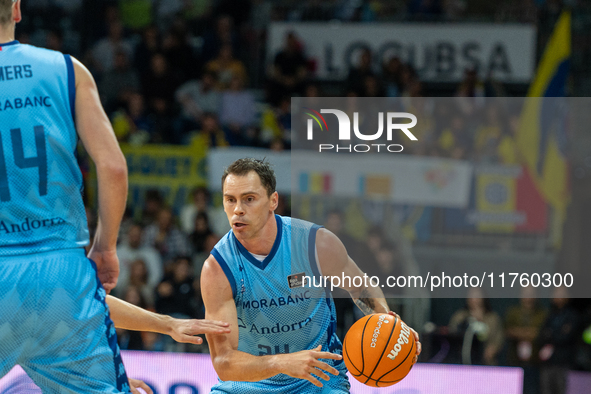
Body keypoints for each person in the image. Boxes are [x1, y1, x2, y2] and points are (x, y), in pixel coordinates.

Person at [0, 2, 228, 393]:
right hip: (64, 271)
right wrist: (105, 246)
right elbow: (113, 167)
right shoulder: (67, 71)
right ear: (18, 9)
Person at [201, 158, 421, 393]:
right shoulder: (217, 269)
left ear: (273, 201)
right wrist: (281, 363)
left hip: (318, 380)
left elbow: (360, 287)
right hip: (247, 384)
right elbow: (223, 362)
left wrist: (391, 328)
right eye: (230, 200)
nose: (238, 209)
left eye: (249, 199)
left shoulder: (315, 244)